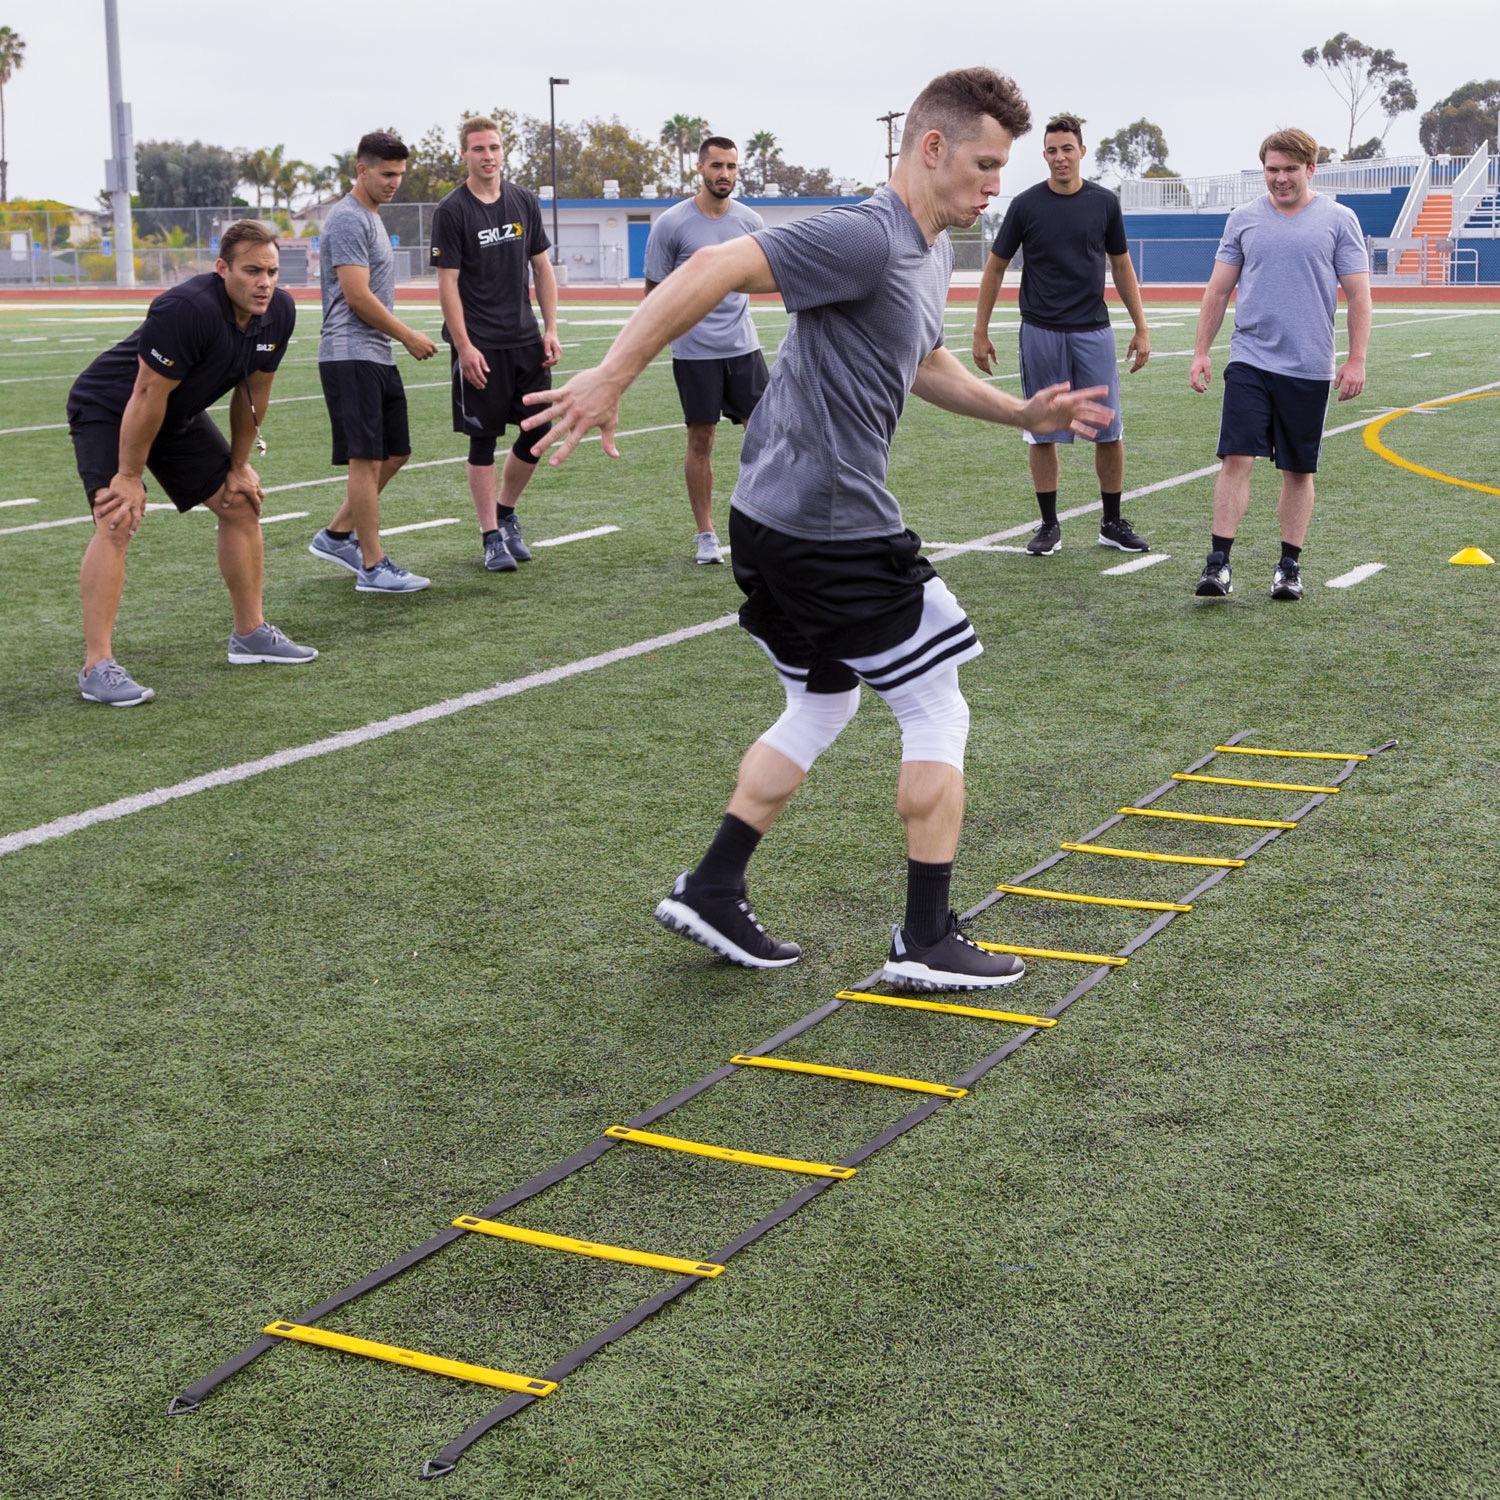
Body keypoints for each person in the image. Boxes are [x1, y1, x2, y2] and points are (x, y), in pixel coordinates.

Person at [521, 68, 1114, 992]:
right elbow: (714, 267)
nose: (996, 184)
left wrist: (1018, 413)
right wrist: (613, 375)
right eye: (986, 164)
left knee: (823, 701)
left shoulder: (930, 252)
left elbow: (922, 358)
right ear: (932, 147)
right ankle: (925, 937)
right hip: (829, 526)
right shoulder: (867, 235)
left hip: (772, 520)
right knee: (935, 703)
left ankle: (712, 888)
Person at [68, 219, 316, 706]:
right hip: (112, 408)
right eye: (251, 271)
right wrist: (129, 475)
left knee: (241, 503)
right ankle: (97, 665)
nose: (264, 282)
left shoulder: (280, 312)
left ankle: (250, 634)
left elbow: (254, 392)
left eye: (271, 271)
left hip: (175, 412)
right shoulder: (186, 309)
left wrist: (239, 464)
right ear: (222, 269)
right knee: (118, 516)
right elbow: (144, 394)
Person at [1189, 127, 1370, 601]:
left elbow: (1358, 294)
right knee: (1236, 456)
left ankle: (1289, 568)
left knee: (1297, 471)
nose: (1281, 178)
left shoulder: (1339, 219)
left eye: (1290, 169)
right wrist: (1201, 351)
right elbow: (1218, 289)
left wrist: (1356, 359)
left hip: (1309, 365)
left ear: (1311, 169)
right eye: (1272, 169)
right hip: (1250, 358)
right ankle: (1218, 565)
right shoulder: (1243, 219)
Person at [972, 113, 1150, 557]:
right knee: (1041, 430)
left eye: (1067, 148)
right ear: (1045, 155)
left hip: (1093, 330)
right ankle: (1049, 525)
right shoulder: (1027, 205)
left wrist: (1141, 327)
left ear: (1081, 152)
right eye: (1051, 150)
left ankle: (1111, 522)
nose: (1059, 157)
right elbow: (995, 266)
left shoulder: (1105, 203)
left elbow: (1121, 265)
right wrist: (981, 330)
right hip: (1041, 331)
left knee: (1108, 430)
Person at [308, 131, 438, 594]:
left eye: (400, 175)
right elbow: (356, 296)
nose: (394, 182)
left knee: (396, 452)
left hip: (374, 354)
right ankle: (372, 565)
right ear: (360, 169)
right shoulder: (346, 219)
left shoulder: (372, 217)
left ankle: (336, 535)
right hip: (349, 352)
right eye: (386, 174)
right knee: (364, 460)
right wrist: (406, 335)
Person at [429, 115, 560, 573]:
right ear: (464, 154)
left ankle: (506, 513)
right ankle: (489, 536)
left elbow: (542, 268)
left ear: (504, 151)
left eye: (494, 148)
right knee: (483, 441)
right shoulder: (452, 210)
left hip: (525, 341)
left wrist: (550, 328)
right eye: (478, 149)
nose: (488, 156)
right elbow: (447, 284)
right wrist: (464, 346)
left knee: (538, 431)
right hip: (480, 346)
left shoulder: (524, 201)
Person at [643, 136, 769, 565]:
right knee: (702, 439)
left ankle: (766, 523)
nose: (725, 175)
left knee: (766, 433)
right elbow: (654, 294)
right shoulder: (671, 224)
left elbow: (772, 275)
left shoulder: (751, 221)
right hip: (694, 353)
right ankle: (706, 534)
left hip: (743, 348)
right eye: (717, 166)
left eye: (731, 167)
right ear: (700, 169)